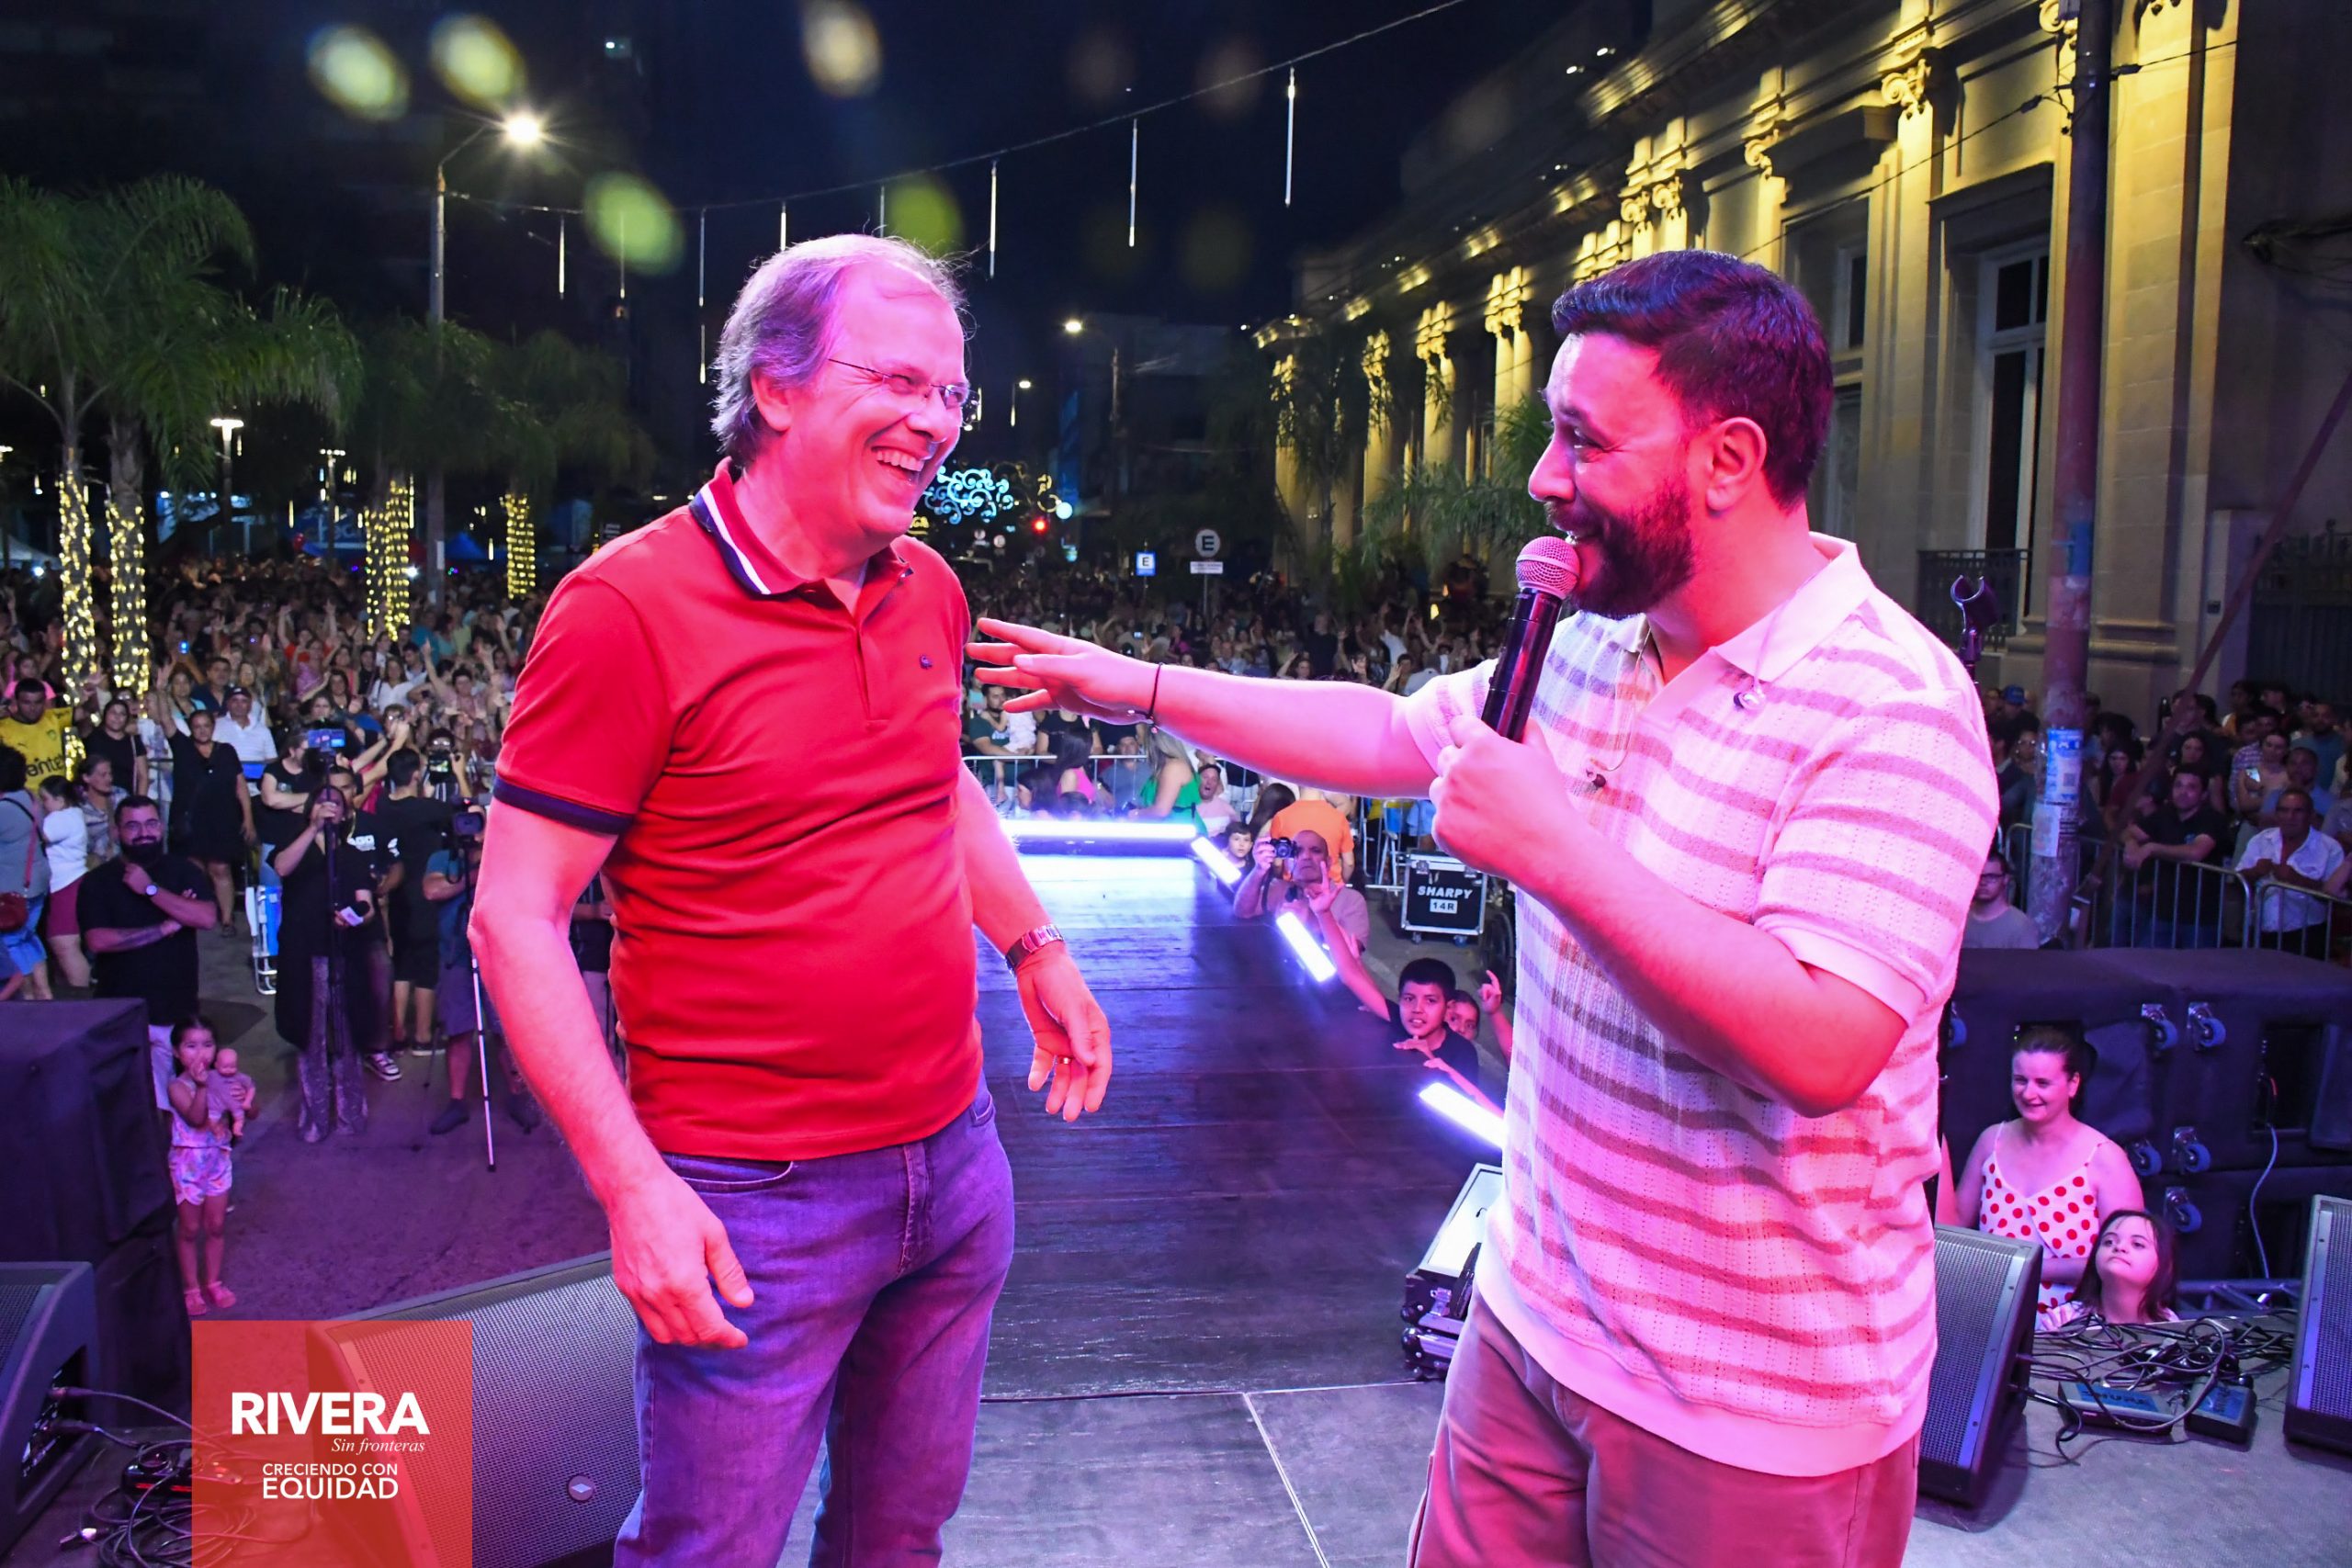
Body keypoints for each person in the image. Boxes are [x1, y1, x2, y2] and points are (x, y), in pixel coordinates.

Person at [977, 249, 1996, 1564]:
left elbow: (1822, 1043)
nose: (1544, 478)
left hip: (1751, 1405)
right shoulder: (1595, 638)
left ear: (1730, 458)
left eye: (1585, 440)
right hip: (1532, 1321)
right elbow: (1388, 732)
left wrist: (1558, 851)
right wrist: (1143, 686)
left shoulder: (1892, 704)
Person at [471, 234, 1112, 1567]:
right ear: (773, 386)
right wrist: (631, 1188)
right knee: (709, 1549)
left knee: (899, 1535)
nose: (936, 420)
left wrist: (1034, 945)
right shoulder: (626, 608)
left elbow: (936, 783)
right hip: (751, 1199)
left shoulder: (928, 585)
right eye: (899, 381)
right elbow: (513, 917)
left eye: (951, 392)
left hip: (954, 1161)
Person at [1953, 1027, 2145, 1327]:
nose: (2028, 1093)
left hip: (2075, 1330)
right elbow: (1952, 1230)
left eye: (2042, 1083)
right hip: (1988, 1321)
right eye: (2020, 1080)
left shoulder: (2105, 1158)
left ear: (2073, 1084)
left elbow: (2132, 1265)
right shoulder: (1992, 1141)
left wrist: (2025, 1267)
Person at [80, 795, 218, 1103]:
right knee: (126, 1102)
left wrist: (150, 890)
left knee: (180, 1104)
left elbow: (206, 917)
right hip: (121, 1011)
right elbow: (98, 940)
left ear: (162, 827)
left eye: (151, 824)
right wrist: (165, 927)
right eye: (133, 826)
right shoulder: (97, 882)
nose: (144, 833)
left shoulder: (184, 871)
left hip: (176, 1009)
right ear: (116, 832)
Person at [270, 784, 382, 1139]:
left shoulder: (352, 856)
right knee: (311, 1037)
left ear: (346, 814)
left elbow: (367, 905)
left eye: (336, 804)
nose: (329, 808)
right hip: (304, 953)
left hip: (344, 953)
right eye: (322, 802)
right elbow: (282, 868)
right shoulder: (297, 845)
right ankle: (314, 1119)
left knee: (348, 1035)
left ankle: (351, 1115)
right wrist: (313, 829)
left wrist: (354, 916)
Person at [424, 812, 538, 1134]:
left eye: (478, 823)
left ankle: (517, 1096)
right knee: (458, 1030)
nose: (471, 830)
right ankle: (457, 1102)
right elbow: (432, 891)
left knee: (506, 1031)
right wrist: (471, 877)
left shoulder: (504, 858)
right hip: (456, 956)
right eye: (465, 822)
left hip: (499, 956)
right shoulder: (442, 859)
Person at [1313, 914, 1495, 1109]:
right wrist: (1324, 913)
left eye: (1430, 1001)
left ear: (1447, 1007)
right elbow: (1349, 976)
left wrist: (1430, 1060)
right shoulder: (1399, 1020)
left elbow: (1467, 1108)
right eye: (1409, 999)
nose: (1417, 1009)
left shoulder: (1463, 1052)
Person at [376, 749, 456, 1058]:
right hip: (424, 896)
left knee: (402, 964)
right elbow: (466, 812)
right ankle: (422, 1037)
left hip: (396, 896)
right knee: (426, 966)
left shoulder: (382, 806)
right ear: (415, 775)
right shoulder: (428, 809)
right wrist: (458, 773)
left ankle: (398, 1034)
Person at [164, 1018, 239, 1316]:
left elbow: (249, 1112)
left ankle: (214, 1282)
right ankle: (191, 1288)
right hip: (187, 1166)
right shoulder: (177, 1086)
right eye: (191, 1046)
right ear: (176, 1052)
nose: (201, 1053)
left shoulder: (223, 1079)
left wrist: (244, 1101)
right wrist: (204, 1086)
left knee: (216, 1226)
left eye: (207, 1045)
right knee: (189, 1228)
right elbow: (196, 1118)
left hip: (217, 1162)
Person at [2118, 767, 2231, 948]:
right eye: (2178, 785)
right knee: (2149, 961)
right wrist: (2131, 844)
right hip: (2163, 911)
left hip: (2199, 917)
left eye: (2191, 787)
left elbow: (2196, 851)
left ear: (2203, 795)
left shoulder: (2212, 819)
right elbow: (2128, 832)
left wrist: (2152, 848)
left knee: (2196, 966)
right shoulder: (2166, 813)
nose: (2183, 792)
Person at [168, 709, 253, 931]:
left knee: (221, 868)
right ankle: (198, 916)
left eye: (206, 725)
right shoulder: (183, 748)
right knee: (194, 869)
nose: (202, 730)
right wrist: (160, 692)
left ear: (213, 727)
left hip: (222, 819)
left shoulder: (226, 751)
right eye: (197, 726)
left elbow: (240, 786)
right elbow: (166, 721)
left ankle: (227, 920)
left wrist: (248, 818)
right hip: (192, 821)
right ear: (191, 728)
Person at [2235, 788, 2347, 952]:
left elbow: (2336, 900)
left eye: (2298, 811)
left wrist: (2297, 880)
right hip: (2261, 932)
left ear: (2311, 815)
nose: (2290, 817)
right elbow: (2237, 880)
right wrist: (2254, 872)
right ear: (2276, 814)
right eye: (2284, 810)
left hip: (2307, 936)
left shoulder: (2330, 848)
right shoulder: (2261, 840)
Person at [1233, 829, 1370, 948]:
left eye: (1315, 851)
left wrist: (1312, 920)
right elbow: (1243, 912)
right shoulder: (1278, 888)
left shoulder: (1351, 899)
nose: (1306, 856)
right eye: (1297, 851)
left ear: (1328, 862)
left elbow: (1354, 950)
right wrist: (1258, 870)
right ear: (1287, 861)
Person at [2046, 1209, 2179, 1328]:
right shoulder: (2062, 1319)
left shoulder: (2169, 1323)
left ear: (2166, 1266)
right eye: (2109, 1242)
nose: (2119, 1247)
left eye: (2137, 1244)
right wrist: (2057, 1343)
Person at [0, 744, 53, 998]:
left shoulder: (4, 810)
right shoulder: (30, 799)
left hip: (11, 894)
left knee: (10, 944)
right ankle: (44, 993)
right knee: (27, 938)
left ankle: (28, 998)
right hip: (35, 885)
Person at [37, 774, 90, 987]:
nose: (43, 805)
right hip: (71, 883)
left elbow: (39, 835)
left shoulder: (61, 818)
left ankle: (81, 994)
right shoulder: (74, 815)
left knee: (64, 942)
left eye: (45, 799)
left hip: (66, 885)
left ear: (60, 800)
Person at [0, 678, 74, 790]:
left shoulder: (53, 717)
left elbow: (85, 711)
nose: (33, 708)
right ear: (16, 701)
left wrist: (93, 690)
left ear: (44, 701)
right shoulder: (3, 729)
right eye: (26, 702)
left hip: (58, 794)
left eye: (38, 702)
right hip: (24, 797)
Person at [1962, 845, 2041, 950]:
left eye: (1991, 877)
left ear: (2005, 879)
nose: (1983, 882)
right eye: (1978, 876)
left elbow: (2028, 960)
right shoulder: (1960, 918)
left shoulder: (2021, 926)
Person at [82, 697, 148, 797]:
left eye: (122, 714)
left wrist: (140, 801)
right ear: (105, 715)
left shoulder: (133, 741)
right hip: (95, 797)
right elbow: (83, 718)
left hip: (125, 799)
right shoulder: (93, 736)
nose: (117, 717)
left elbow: (143, 776)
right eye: (113, 713)